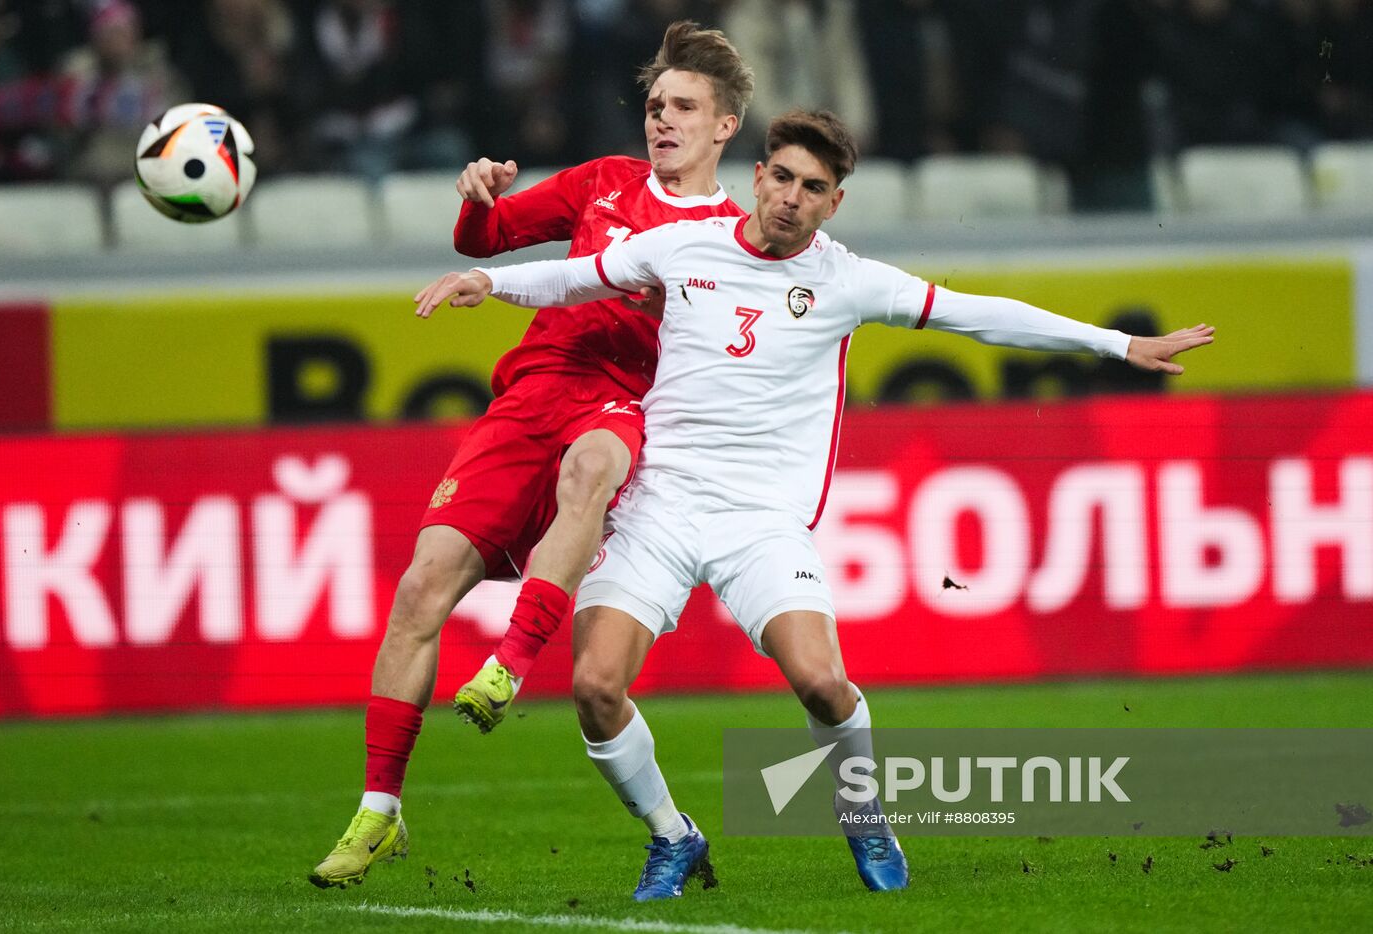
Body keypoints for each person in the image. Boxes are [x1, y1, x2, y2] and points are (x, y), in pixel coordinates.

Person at [412, 109, 1215, 899]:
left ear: (835, 203)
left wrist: (1119, 344)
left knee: (824, 685)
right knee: (593, 689)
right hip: (655, 509)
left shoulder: (845, 279)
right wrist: (487, 278)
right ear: (758, 179)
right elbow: (570, 276)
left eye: (814, 187)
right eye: (784, 178)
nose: (792, 198)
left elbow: (979, 317)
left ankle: (863, 813)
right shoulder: (684, 246)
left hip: (761, 524)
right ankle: (673, 837)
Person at [307, 21, 753, 889]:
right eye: (656, 105)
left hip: (621, 399)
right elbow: (485, 242)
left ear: (725, 126)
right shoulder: (602, 184)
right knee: (419, 588)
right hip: (531, 392)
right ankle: (379, 811)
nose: (662, 121)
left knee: (592, 467)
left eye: (684, 108)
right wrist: (479, 195)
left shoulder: (737, 237)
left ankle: (512, 660)